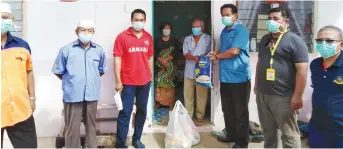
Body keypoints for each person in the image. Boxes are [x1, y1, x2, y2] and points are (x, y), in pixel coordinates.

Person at [255, 7, 308, 148]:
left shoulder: (295, 41)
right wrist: (256, 85)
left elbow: (302, 70)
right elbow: (260, 62)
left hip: (283, 96)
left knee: (289, 134)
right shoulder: (265, 39)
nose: (271, 22)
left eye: (275, 18)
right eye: (269, 19)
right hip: (263, 93)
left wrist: (298, 96)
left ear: (286, 21)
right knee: (268, 132)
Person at [52, 20, 108, 148]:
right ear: (76, 31)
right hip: (72, 95)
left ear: (93, 32)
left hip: (91, 95)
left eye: (89, 30)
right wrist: (72, 82)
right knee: (72, 128)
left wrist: (89, 80)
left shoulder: (99, 50)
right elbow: (58, 70)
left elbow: (101, 70)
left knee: (91, 127)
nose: (86, 33)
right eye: (83, 30)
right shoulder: (66, 50)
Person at [210, 4, 251, 148]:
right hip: (225, 77)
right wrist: (215, 53)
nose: (225, 17)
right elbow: (222, 49)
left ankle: (242, 142)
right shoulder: (224, 31)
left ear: (235, 15)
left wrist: (218, 57)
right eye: (223, 15)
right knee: (227, 109)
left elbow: (234, 51)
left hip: (239, 78)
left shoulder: (241, 30)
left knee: (240, 112)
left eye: (228, 14)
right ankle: (231, 135)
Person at [114, 9, 153, 148]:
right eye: (136, 19)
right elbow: (117, 58)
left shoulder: (148, 37)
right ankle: (120, 143)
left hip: (145, 81)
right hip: (128, 82)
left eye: (142, 20)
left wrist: (150, 75)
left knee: (142, 111)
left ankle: (137, 139)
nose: (139, 22)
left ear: (145, 21)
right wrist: (118, 80)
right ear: (131, 20)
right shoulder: (122, 37)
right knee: (125, 112)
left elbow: (149, 57)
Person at [1, 3, 37, 148]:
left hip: (20, 109)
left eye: (4, 17)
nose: (1, 21)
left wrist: (32, 98)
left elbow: (29, 72)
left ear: (12, 19)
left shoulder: (23, 46)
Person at [308, 25, 343, 148]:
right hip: (317, 128)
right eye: (319, 41)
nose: (323, 44)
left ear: (341, 45)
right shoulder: (315, 65)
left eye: (329, 41)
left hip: (340, 132)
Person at [183, 19, 211, 122]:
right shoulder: (187, 39)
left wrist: (204, 56)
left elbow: (210, 52)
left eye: (197, 27)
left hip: (202, 70)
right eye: (193, 27)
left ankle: (200, 115)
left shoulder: (208, 38)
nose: (195, 29)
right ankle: (188, 115)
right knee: (188, 94)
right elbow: (185, 53)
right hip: (189, 71)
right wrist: (194, 58)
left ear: (202, 28)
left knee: (201, 95)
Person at [154, 22, 180, 113]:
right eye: (165, 28)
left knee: (170, 85)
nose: (167, 30)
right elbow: (154, 53)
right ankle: (158, 103)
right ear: (162, 29)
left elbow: (177, 52)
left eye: (168, 28)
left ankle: (170, 104)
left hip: (170, 67)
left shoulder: (174, 40)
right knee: (159, 85)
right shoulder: (157, 40)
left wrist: (167, 60)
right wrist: (161, 61)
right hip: (160, 67)